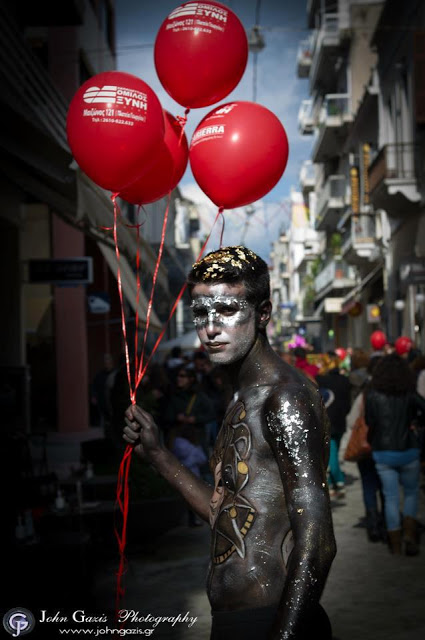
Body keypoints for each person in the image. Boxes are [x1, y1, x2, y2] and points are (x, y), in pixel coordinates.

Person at [124, 246, 336, 640]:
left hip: (273, 620)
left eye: (226, 310)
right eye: (201, 313)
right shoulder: (241, 397)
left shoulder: (284, 397)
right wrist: (158, 455)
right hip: (239, 622)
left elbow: (318, 539)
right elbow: (230, 517)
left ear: (263, 313)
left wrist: (283, 635)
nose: (210, 327)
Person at [365, 353, 425, 555]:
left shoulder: (373, 394)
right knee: (410, 492)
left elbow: (369, 421)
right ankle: (409, 533)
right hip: (408, 448)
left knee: (390, 497)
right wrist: (415, 423)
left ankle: (395, 541)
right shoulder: (409, 393)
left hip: (383, 451)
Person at [316, 352, 351, 498]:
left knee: (331, 453)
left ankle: (338, 481)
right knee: (333, 451)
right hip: (340, 421)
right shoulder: (344, 380)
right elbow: (348, 402)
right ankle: (333, 481)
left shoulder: (319, 380)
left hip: (326, 421)